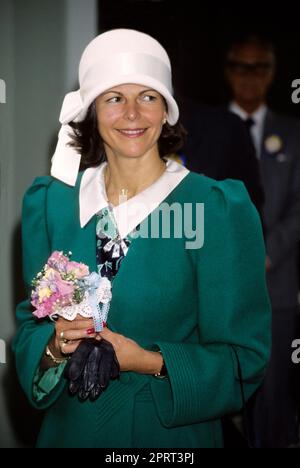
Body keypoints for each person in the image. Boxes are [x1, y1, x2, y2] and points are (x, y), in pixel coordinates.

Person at [13, 28, 271, 448]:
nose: (132, 113)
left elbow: (244, 359)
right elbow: (29, 324)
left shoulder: (214, 208)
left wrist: (148, 361)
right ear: (92, 110)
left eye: (147, 97)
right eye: (114, 98)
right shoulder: (50, 204)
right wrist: (57, 346)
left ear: (167, 110)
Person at [225, 34, 300, 448]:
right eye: (240, 66)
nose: (250, 77)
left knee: (271, 394)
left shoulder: (294, 132)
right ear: (227, 71)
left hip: (276, 284)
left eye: (259, 67)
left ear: (272, 74)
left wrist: (266, 254)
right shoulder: (209, 129)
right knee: (219, 390)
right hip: (219, 285)